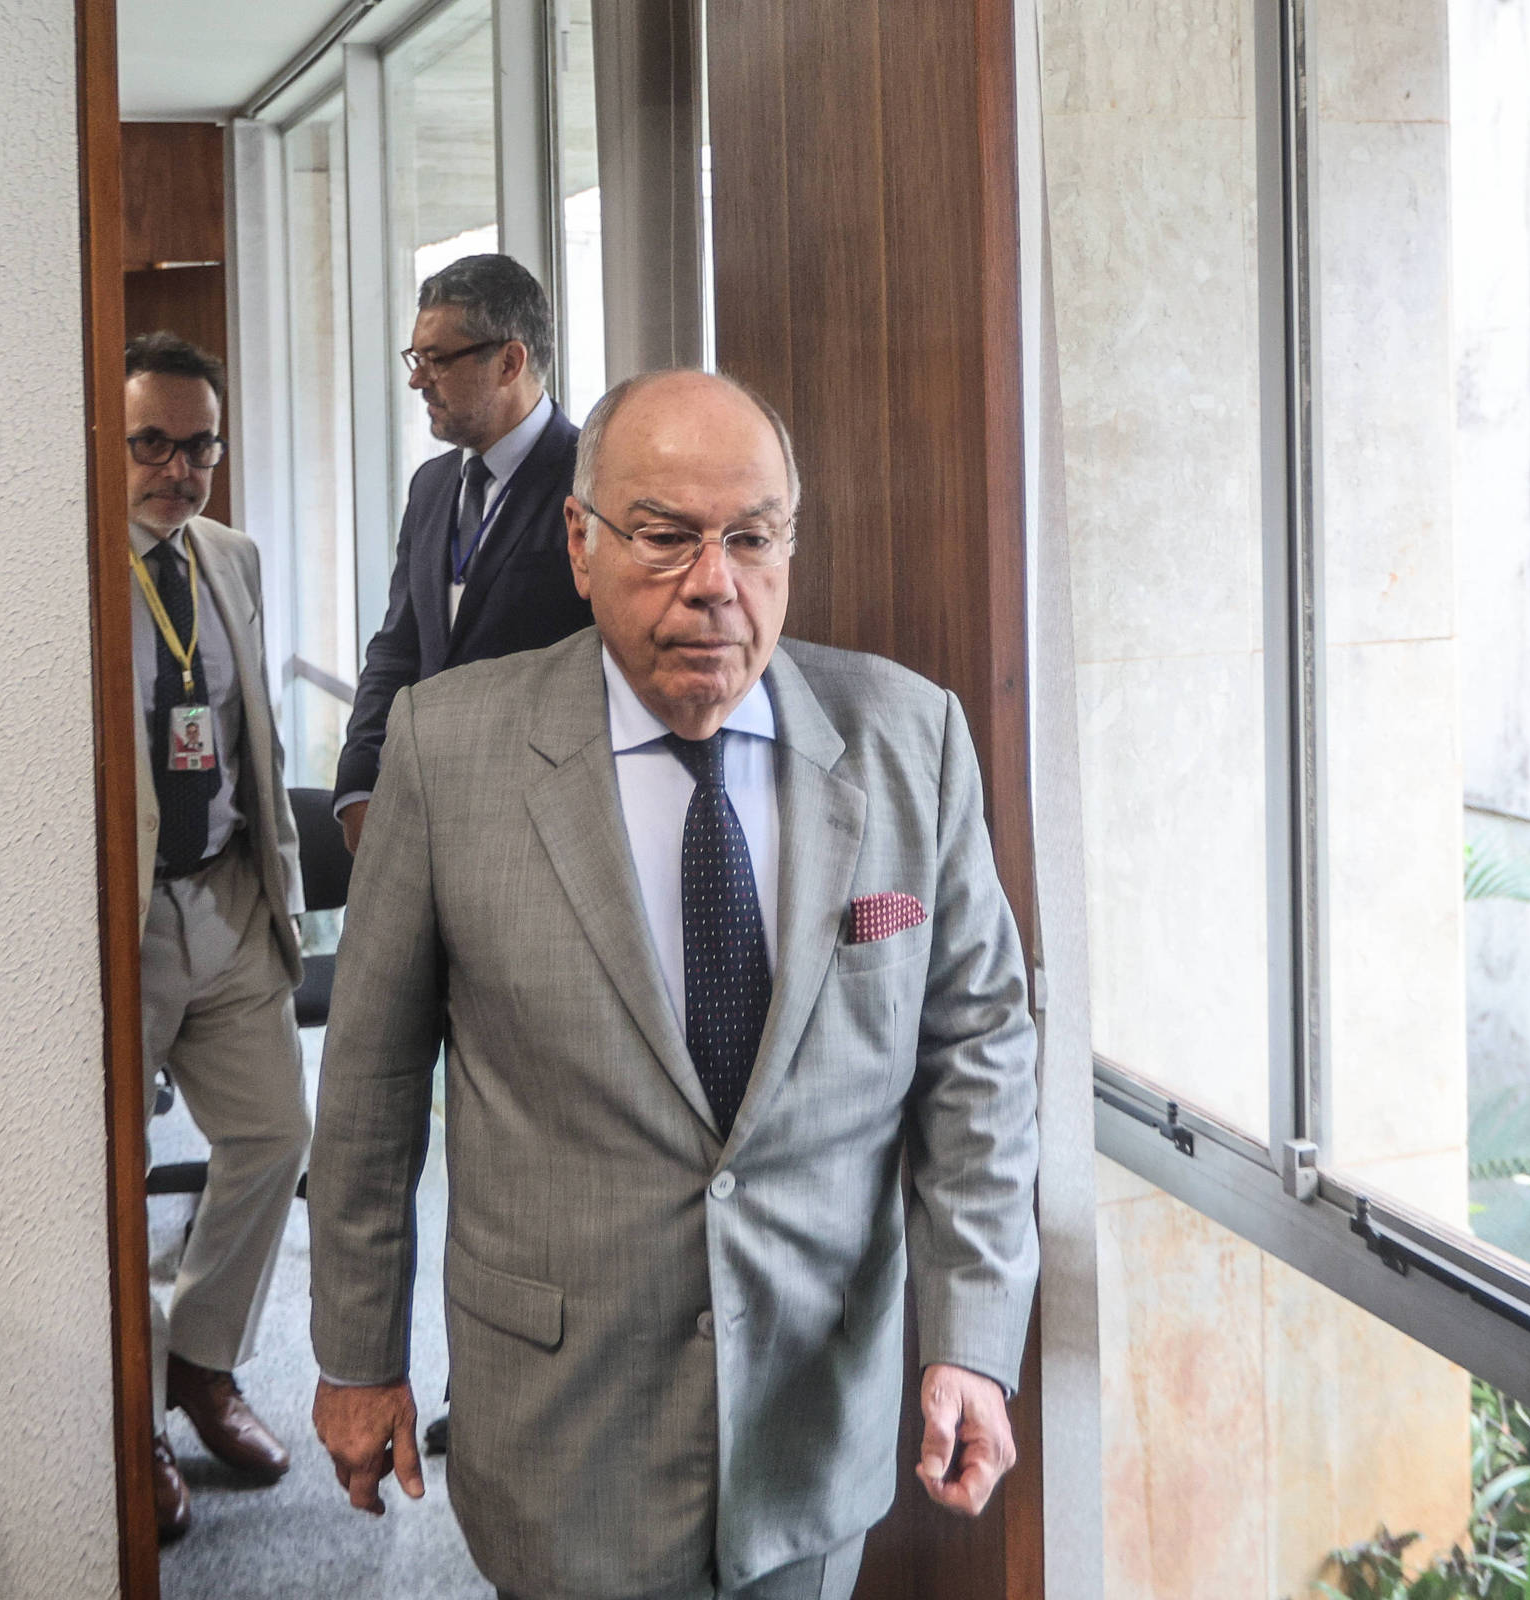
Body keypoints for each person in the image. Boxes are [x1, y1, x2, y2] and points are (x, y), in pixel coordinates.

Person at [307, 369, 1041, 1600]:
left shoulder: (912, 741)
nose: (716, 583)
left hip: (813, 1414)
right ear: (582, 545)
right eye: (665, 537)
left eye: (752, 538)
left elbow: (980, 1048)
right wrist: (354, 1351)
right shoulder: (448, 749)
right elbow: (374, 1082)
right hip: (560, 1426)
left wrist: (972, 1336)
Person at [122, 331, 311, 1543]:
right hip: (122, 922)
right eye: (153, 442)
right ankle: (129, 1418)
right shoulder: (70, 561)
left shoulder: (229, 556)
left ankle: (202, 1361)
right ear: (111, 439)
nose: (178, 469)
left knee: (276, 1133)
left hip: (228, 898)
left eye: (199, 446)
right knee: (103, 1186)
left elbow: (252, 736)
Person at [334, 253, 594, 857]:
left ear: (509, 361)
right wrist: (358, 784)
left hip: (538, 830)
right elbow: (399, 645)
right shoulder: (430, 487)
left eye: (437, 360)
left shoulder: (592, 481)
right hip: (421, 820)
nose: (416, 380)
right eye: (415, 358)